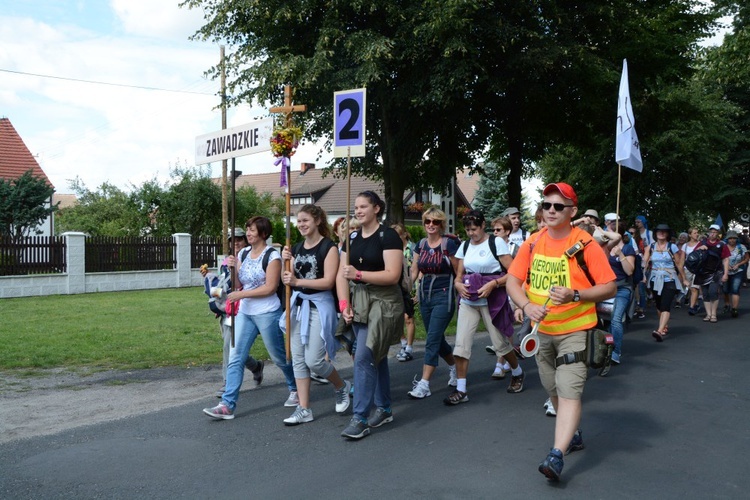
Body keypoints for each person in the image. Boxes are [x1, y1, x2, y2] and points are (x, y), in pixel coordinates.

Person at [506, 182, 616, 482]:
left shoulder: (585, 244)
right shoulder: (532, 242)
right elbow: (513, 282)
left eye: (558, 206)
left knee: (568, 391)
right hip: (540, 332)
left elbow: (609, 286)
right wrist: (526, 306)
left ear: (573, 211)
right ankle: (573, 436)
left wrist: (576, 295)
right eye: (547, 205)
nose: (551, 211)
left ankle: (556, 454)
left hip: (576, 331)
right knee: (552, 388)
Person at [202, 216, 298, 420]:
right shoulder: (243, 253)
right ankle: (227, 404)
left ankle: (295, 387)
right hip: (246, 312)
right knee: (236, 357)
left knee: (279, 357)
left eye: (252, 230)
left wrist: (242, 294)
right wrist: (233, 268)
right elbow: (237, 284)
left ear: (263, 233)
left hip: (267, 312)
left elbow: (270, 287)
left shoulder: (272, 256)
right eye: (247, 229)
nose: (248, 233)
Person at [337, 191, 404, 439]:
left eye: (364, 206)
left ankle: (360, 417)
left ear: (377, 209)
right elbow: (341, 274)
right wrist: (344, 303)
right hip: (359, 302)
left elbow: (392, 275)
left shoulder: (388, 236)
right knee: (377, 355)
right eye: (356, 206)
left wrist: (359, 275)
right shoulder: (350, 238)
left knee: (364, 355)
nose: (358, 210)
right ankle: (384, 408)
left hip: (384, 302)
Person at [280, 205, 352, 425]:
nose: (301, 225)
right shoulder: (298, 248)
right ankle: (304, 409)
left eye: (305, 220)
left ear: (318, 220)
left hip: (320, 306)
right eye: (298, 221)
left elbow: (328, 281)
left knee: (315, 361)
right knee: (299, 360)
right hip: (299, 307)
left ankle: (341, 386)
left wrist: (297, 281)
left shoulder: (329, 248)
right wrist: (286, 261)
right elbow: (288, 277)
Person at [447, 209, 523, 405]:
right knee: (461, 346)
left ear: (482, 226)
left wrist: (494, 284)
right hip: (469, 300)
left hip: (492, 300)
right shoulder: (464, 245)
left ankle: (517, 371)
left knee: (500, 345)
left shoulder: (495, 242)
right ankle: (461, 390)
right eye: (467, 230)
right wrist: (457, 284)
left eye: (474, 229)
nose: (471, 233)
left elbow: (514, 272)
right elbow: (459, 274)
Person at [200, 228, 264, 397]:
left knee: (229, 345)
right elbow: (224, 287)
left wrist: (217, 290)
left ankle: (227, 383)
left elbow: (243, 285)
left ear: (245, 241)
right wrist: (217, 299)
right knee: (234, 347)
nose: (235, 242)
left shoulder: (250, 259)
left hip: (243, 309)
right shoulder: (226, 262)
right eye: (232, 240)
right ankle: (255, 366)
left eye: (239, 239)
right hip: (227, 311)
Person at [406, 208, 459, 399]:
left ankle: (424, 384)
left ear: (441, 224)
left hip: (443, 296)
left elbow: (458, 270)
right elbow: (414, 270)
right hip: (425, 296)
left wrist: (460, 289)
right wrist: (407, 289)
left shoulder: (448, 244)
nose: (430, 225)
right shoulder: (420, 245)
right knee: (436, 338)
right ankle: (454, 367)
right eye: (427, 221)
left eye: (435, 222)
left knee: (431, 341)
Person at [642, 224, 686, 341]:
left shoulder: (672, 247)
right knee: (659, 305)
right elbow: (645, 263)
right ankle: (664, 326)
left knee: (666, 305)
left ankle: (659, 331)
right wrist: (643, 275)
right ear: (655, 234)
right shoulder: (650, 247)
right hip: (655, 278)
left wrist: (684, 278)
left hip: (669, 278)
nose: (661, 233)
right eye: (659, 231)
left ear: (667, 234)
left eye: (664, 232)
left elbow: (678, 264)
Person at [605, 224, 636, 362]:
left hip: (623, 288)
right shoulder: (606, 247)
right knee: (605, 320)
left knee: (616, 318)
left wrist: (621, 255)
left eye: (609, 230)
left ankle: (616, 352)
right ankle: (607, 345)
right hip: (606, 288)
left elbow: (629, 271)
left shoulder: (628, 248)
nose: (607, 232)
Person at [695, 224, 730, 323]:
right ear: (708, 232)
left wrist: (725, 274)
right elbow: (694, 255)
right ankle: (708, 314)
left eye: (715, 232)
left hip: (716, 272)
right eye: (711, 232)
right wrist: (699, 248)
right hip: (703, 272)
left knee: (713, 292)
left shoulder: (722, 245)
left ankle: (714, 314)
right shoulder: (702, 242)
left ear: (718, 234)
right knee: (705, 294)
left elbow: (726, 260)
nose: (712, 234)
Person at [391, 223, 416, 362]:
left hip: (407, 285)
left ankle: (409, 347)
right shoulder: (390, 249)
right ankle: (403, 342)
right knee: (396, 318)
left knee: (408, 317)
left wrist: (414, 288)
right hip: (395, 287)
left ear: (404, 234)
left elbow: (415, 268)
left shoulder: (410, 249)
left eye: (398, 235)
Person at [721, 230, 749, 318]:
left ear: (737, 239)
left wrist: (738, 264)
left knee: (735, 289)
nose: (732, 240)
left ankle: (734, 309)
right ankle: (727, 304)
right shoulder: (723, 247)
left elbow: (746, 259)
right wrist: (726, 265)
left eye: (734, 238)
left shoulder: (741, 247)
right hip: (726, 271)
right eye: (730, 238)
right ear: (727, 239)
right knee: (725, 290)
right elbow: (719, 258)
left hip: (738, 271)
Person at [633, 215, 654, 318]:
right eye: (636, 222)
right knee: (640, 285)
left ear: (643, 222)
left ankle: (642, 306)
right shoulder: (635, 234)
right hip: (637, 261)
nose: (637, 224)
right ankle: (642, 304)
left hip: (647, 261)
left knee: (643, 284)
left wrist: (650, 260)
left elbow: (652, 248)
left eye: (639, 222)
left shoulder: (649, 234)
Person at [681, 228, 702, 315]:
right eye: (694, 233)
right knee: (691, 288)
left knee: (694, 288)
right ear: (689, 235)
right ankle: (696, 304)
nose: (696, 234)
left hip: (698, 269)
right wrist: (681, 273)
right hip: (688, 269)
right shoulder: (685, 246)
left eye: (697, 233)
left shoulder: (701, 244)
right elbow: (682, 259)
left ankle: (691, 307)